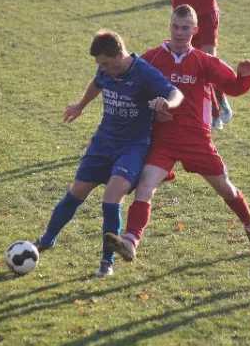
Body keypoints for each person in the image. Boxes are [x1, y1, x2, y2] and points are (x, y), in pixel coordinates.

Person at [104, 5, 250, 263]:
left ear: (195, 30)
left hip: (197, 141)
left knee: (225, 188)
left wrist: (245, 76)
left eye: (185, 28)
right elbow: (132, 93)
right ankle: (131, 240)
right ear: (170, 26)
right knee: (146, 185)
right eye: (175, 27)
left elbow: (234, 86)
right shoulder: (152, 59)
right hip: (164, 141)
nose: (179, 33)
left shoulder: (204, 62)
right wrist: (152, 110)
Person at [33, 30, 183, 277]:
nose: (102, 68)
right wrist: (80, 106)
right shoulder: (105, 71)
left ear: (119, 55)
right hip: (103, 143)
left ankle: (107, 262)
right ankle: (47, 240)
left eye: (105, 63)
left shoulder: (143, 73)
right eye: (99, 64)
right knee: (75, 193)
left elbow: (174, 92)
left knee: (111, 198)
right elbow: (96, 84)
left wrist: (166, 103)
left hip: (132, 148)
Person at [171, 0, 232, 130]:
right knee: (188, 60)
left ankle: (215, 111)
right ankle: (217, 102)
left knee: (207, 63)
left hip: (205, 11)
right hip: (182, 12)